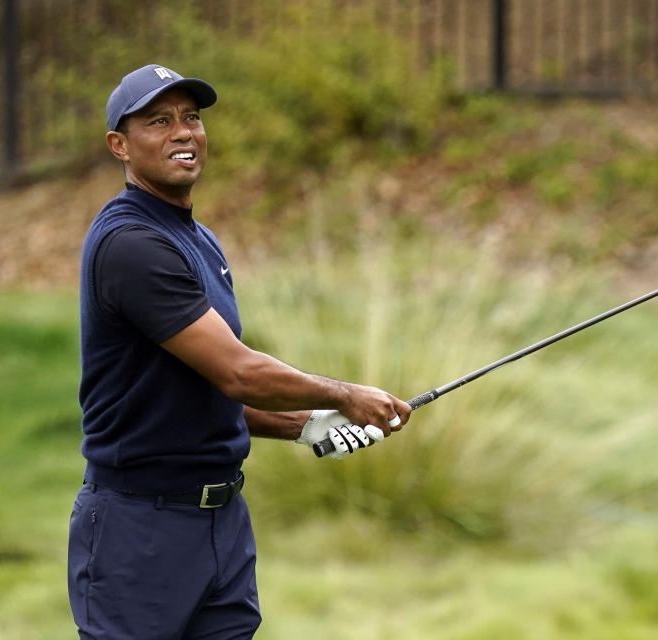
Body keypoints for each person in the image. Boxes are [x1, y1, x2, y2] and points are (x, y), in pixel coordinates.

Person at [68, 64, 412, 639]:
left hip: (221, 523)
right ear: (119, 146)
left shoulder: (196, 240)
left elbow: (198, 389)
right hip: (139, 528)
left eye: (191, 118)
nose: (183, 132)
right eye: (159, 121)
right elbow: (236, 372)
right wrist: (345, 396)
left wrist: (304, 425)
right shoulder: (131, 245)